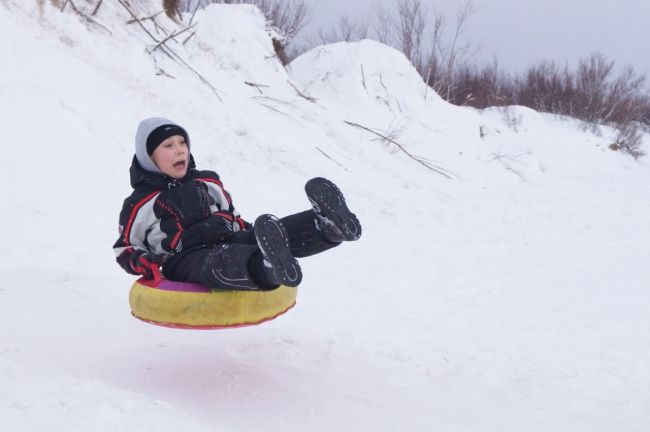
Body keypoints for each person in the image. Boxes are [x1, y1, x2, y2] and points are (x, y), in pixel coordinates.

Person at [113, 117, 362, 290]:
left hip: (224, 238)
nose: (180, 151)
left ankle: (324, 227)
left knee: (256, 238)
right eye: (168, 146)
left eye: (182, 143)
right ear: (148, 157)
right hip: (182, 258)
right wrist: (144, 261)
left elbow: (231, 215)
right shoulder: (141, 202)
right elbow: (125, 247)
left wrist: (254, 233)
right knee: (216, 261)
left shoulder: (207, 181)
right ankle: (267, 268)